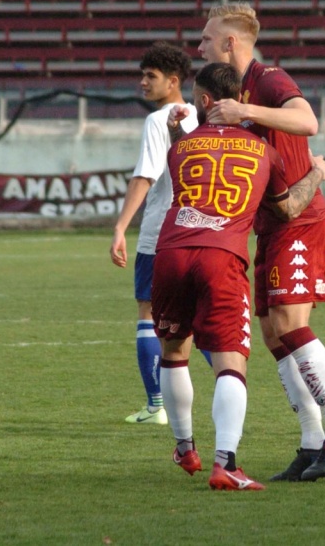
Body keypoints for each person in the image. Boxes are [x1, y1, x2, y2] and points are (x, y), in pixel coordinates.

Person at [175, 2, 325, 482]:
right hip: (268, 223)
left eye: (206, 38)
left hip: (299, 220)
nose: (199, 45)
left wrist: (246, 110)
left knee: (288, 322)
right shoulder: (229, 94)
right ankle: (311, 440)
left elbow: (308, 121)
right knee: (273, 333)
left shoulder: (269, 78)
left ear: (230, 42)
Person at [155, 63, 325, 491]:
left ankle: (184, 447)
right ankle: (226, 463)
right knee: (230, 362)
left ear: (202, 101)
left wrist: (181, 132)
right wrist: (317, 174)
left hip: (171, 250)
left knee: (174, 350)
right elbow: (288, 208)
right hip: (222, 256)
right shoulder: (262, 150)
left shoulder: (179, 148)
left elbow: (194, 162)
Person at [109, 41, 199, 425]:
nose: (142, 82)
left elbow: (145, 175)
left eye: (151, 76)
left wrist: (119, 227)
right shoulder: (203, 114)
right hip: (198, 229)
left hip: (160, 231)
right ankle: (234, 385)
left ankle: (156, 406)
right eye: (142, 75)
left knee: (148, 312)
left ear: (173, 81)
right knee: (201, 319)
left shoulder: (158, 119)